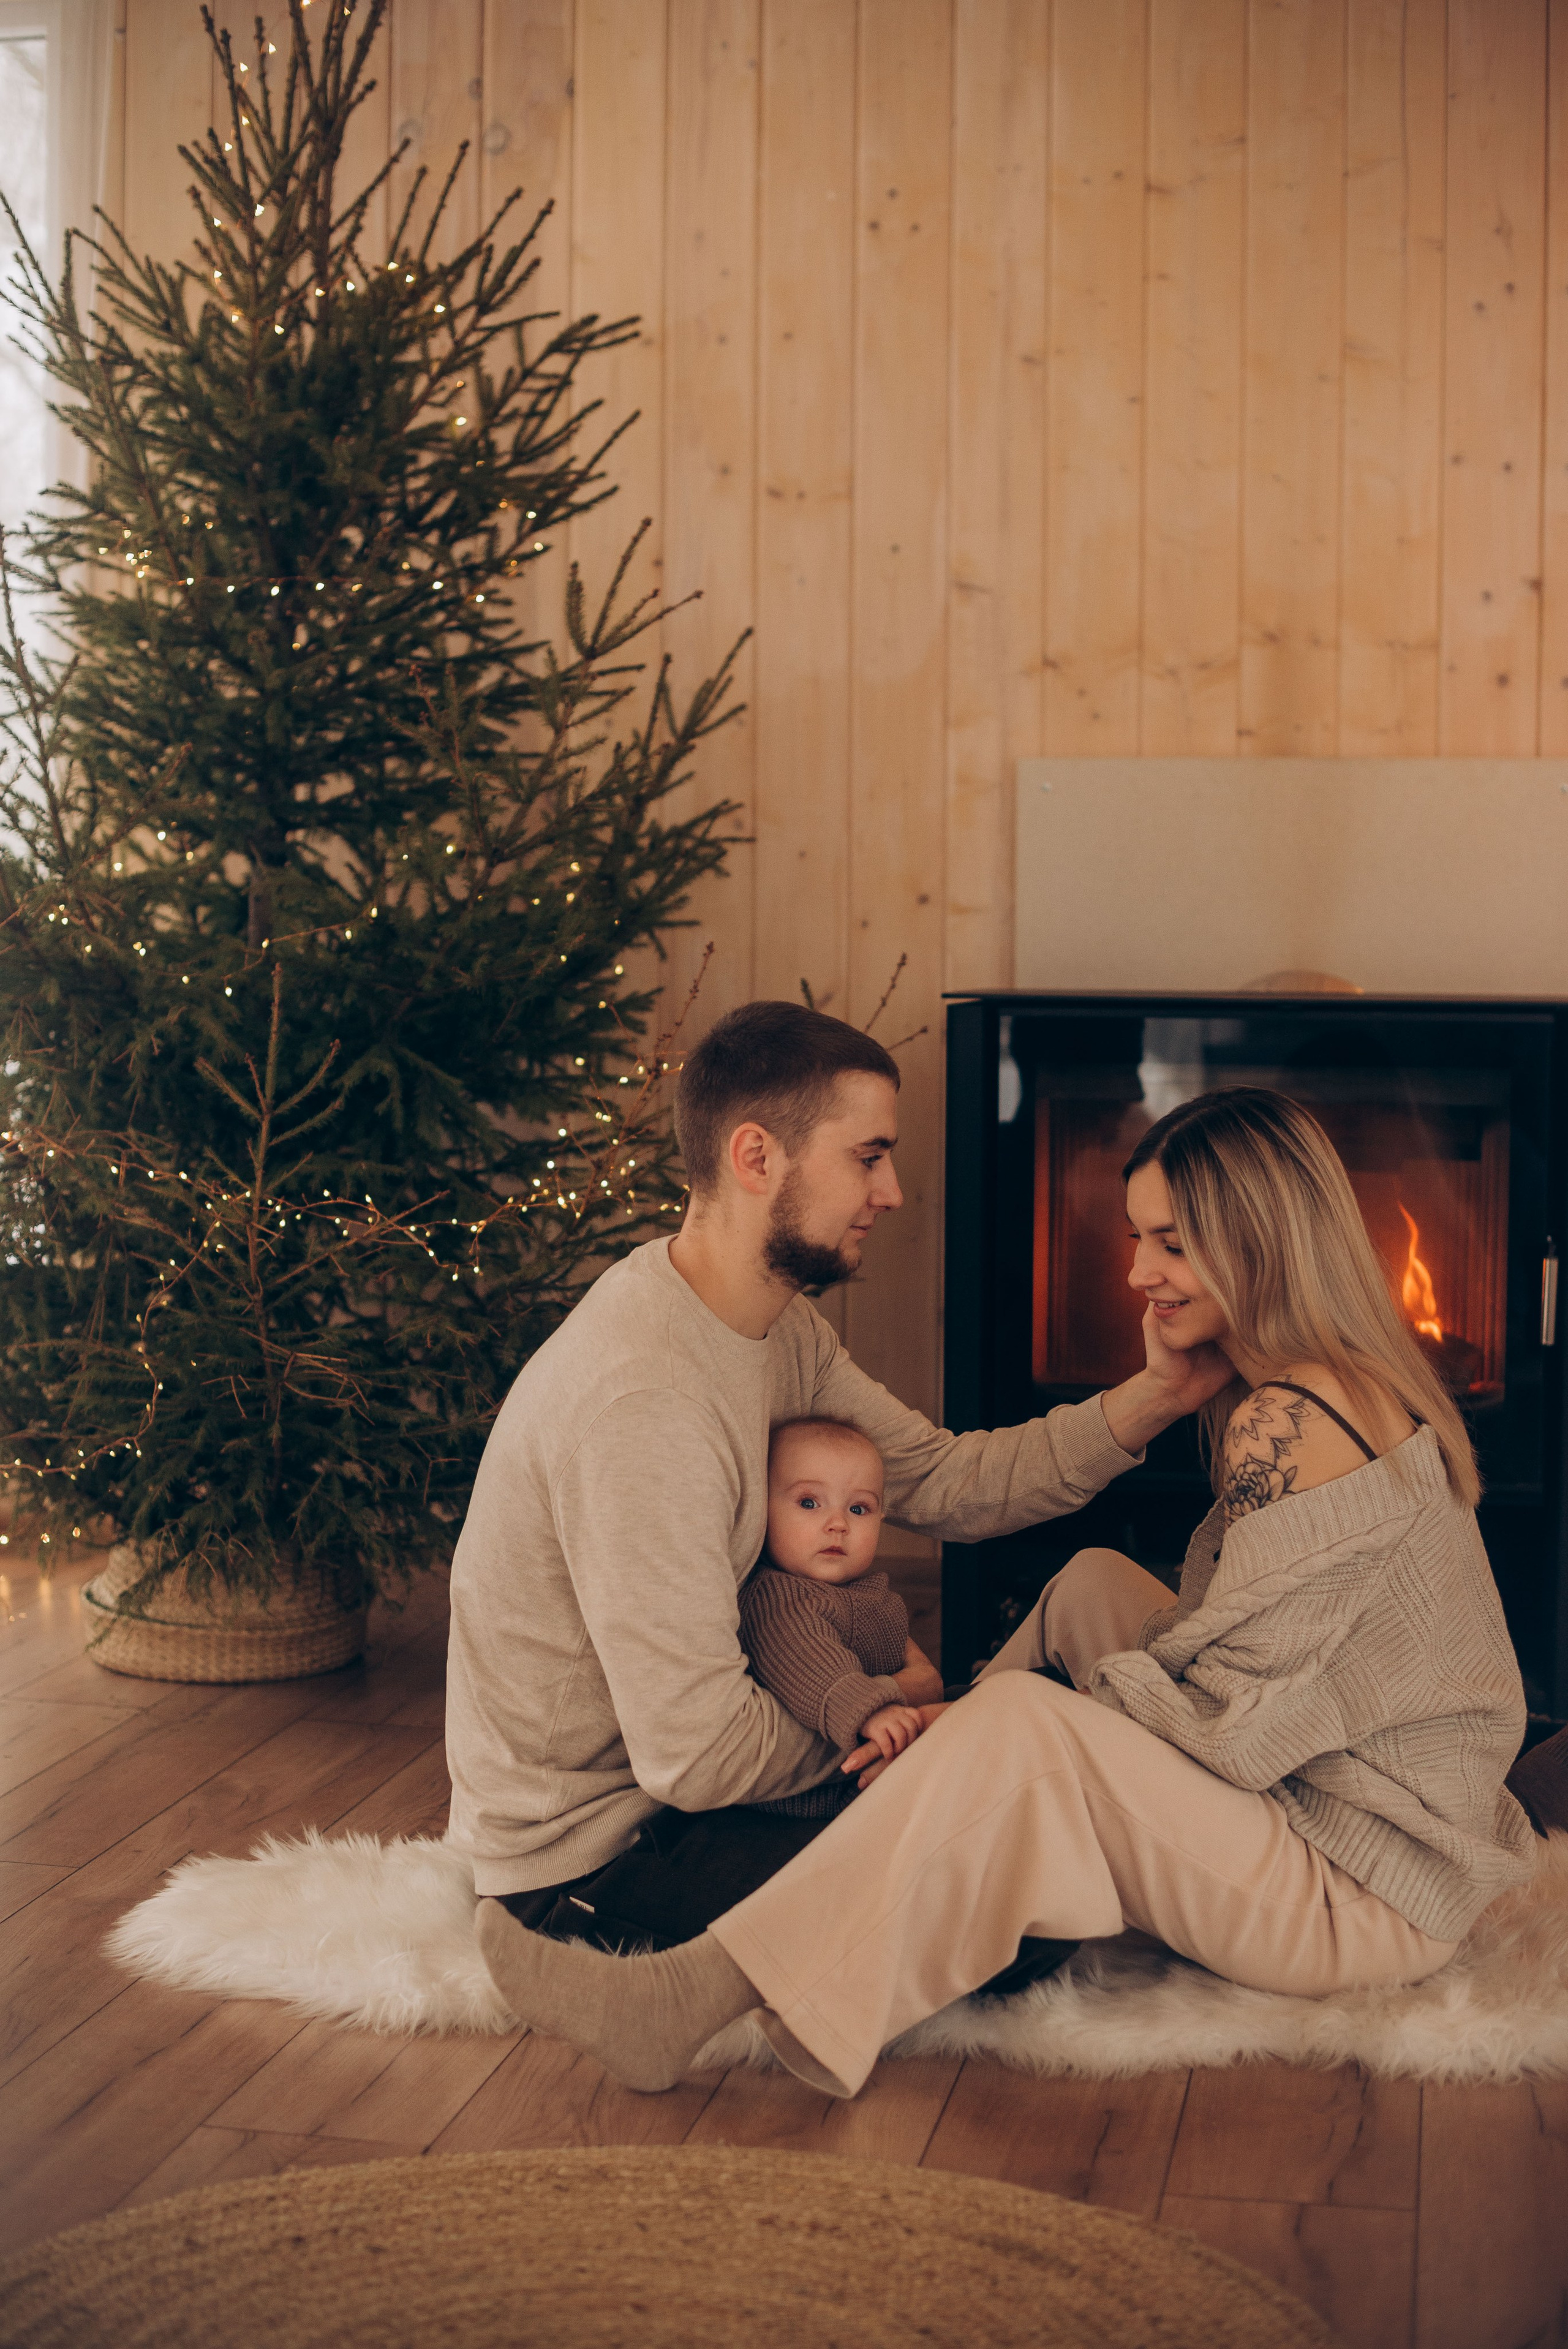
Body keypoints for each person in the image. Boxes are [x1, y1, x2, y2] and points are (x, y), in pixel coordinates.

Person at [475, 1086, 1536, 2098]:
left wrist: (981, 1736)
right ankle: (957, 1787)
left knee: (1030, 1722)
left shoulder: (1292, 1421)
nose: (1137, 1276)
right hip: (1365, 1808)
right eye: (1138, 1239)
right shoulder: (1327, 1381)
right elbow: (1234, 1668)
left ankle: (687, 1996)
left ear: (1260, 1244)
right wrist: (1161, 1395)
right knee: (1091, 1588)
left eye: (1172, 1244)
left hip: (1364, 1884)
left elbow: (1236, 1730)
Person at [445, 999, 1221, 1932]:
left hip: (711, 1793)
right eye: (868, 1155)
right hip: (602, 1862)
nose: (891, 1190)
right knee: (1047, 1884)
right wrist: (914, 1720)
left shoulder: (774, 1327)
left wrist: (1164, 1393)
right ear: (756, 1157)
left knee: (1056, 1811)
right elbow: (696, 1755)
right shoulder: (642, 1400)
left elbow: (942, 1480)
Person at [740, 1416, 935, 1819]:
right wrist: (871, 1710)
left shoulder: (869, 1593)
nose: (838, 1524)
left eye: (859, 1508)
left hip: (869, 1774)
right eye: (809, 1502)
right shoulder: (779, 1597)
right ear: (763, 1508)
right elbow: (812, 1663)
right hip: (806, 1808)